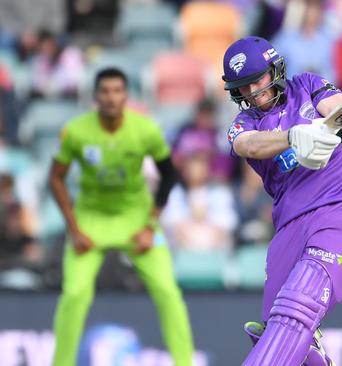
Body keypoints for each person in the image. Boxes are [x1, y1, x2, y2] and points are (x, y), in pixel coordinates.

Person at [222, 36, 342, 366]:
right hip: (288, 227)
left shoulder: (307, 84)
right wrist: (292, 137)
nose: (251, 93)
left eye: (256, 81)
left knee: (295, 308)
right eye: (242, 88)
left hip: (338, 210)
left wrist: (327, 134)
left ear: (275, 70)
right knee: (276, 335)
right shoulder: (244, 123)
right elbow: (248, 145)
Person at [49, 67, 195, 366]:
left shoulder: (145, 129)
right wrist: (74, 228)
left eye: (117, 91)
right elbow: (56, 178)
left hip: (137, 218)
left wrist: (150, 225)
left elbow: (169, 176)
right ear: (95, 96)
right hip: (91, 218)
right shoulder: (75, 131)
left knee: (168, 291)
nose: (111, 98)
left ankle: (185, 363)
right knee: (74, 294)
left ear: (126, 95)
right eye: (105, 91)